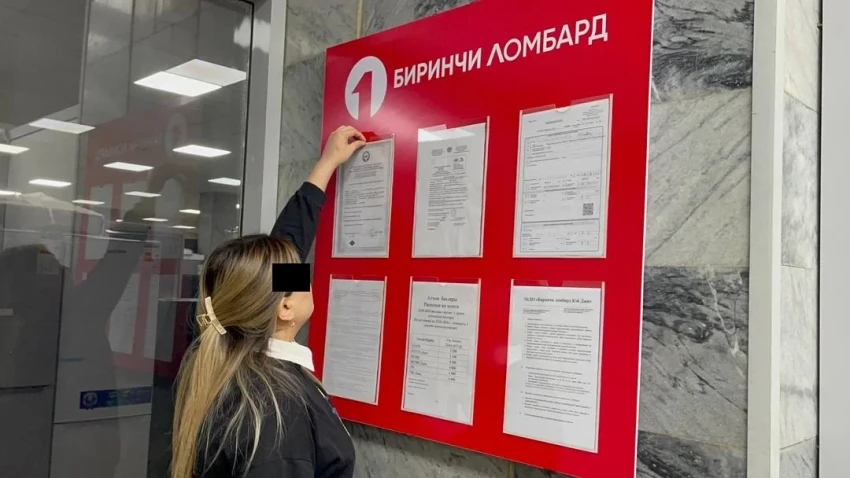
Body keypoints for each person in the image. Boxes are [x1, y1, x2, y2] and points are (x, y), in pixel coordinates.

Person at [170, 126, 367, 478]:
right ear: (284, 308)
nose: (304, 274)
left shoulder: (224, 356)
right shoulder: (276, 413)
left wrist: (325, 165)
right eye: (299, 274)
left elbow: (278, 257)